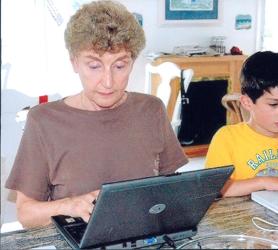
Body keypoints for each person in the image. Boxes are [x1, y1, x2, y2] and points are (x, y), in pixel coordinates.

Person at [5, 0, 188, 228]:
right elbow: (26, 214)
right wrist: (68, 205)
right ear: (74, 63)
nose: (108, 82)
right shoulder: (44, 121)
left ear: (132, 62)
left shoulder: (151, 109)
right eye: (94, 66)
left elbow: (171, 187)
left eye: (120, 66)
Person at [205, 51, 278, 197]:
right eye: (274, 104)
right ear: (247, 102)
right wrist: (264, 182)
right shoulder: (227, 138)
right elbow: (215, 189)